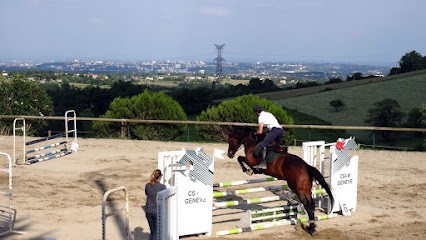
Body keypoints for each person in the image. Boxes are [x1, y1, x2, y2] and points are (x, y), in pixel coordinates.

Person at [253, 104, 284, 169]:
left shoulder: (260, 117)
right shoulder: (269, 114)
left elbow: (260, 131)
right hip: (280, 130)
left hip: (275, 130)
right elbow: (269, 127)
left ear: (256, 112)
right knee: (274, 146)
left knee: (262, 146)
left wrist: (255, 133)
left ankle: (263, 163)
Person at [145, 169, 166, 240]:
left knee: (152, 231)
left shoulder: (147, 186)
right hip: (157, 211)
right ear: (160, 177)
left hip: (148, 210)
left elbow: (147, 193)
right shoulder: (163, 187)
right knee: (156, 232)